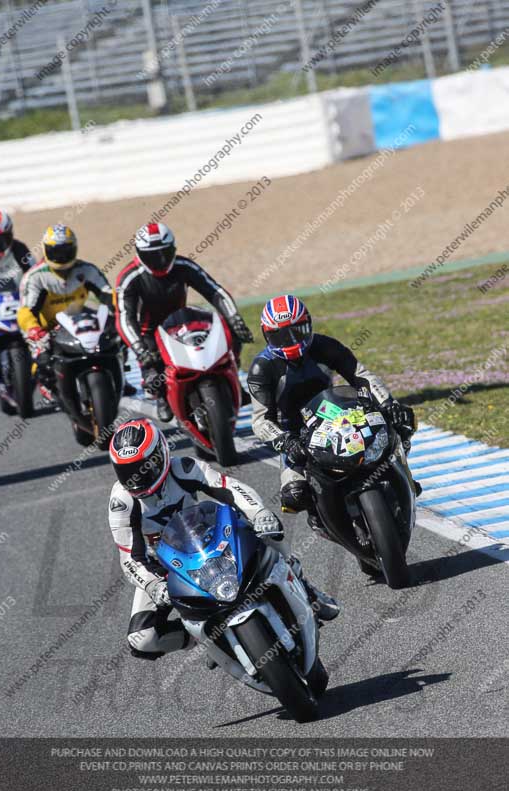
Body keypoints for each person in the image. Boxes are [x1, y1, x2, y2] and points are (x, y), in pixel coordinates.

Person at [108, 418, 339, 660]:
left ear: (160, 454)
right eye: (126, 472)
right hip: (164, 568)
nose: (136, 479)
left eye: (142, 468)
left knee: (269, 528)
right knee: (142, 639)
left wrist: (258, 512)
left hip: (206, 540)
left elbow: (230, 487)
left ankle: (301, 582)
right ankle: (207, 639)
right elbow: (130, 558)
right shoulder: (121, 501)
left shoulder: (184, 468)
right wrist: (153, 585)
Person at [248, 294, 420, 533]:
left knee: (402, 422)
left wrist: (388, 403)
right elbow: (260, 420)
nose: (290, 341)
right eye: (281, 335)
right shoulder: (262, 368)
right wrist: (286, 442)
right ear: (267, 335)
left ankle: (403, 478)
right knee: (294, 495)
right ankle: (319, 516)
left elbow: (361, 376)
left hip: (337, 417)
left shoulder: (324, 346)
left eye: (296, 331)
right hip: (296, 436)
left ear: (308, 325)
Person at [114, 222, 253, 422]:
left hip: (182, 323)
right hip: (150, 333)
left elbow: (215, 291)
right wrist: (139, 348)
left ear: (173, 249)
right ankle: (162, 396)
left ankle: (233, 379)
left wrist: (234, 319)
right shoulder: (130, 277)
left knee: (231, 333)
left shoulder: (184, 266)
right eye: (152, 256)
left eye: (164, 253)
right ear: (139, 253)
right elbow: (124, 317)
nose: (160, 260)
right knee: (153, 378)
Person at [17, 224, 114, 402]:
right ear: (45, 250)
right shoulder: (36, 277)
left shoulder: (87, 270)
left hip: (84, 323)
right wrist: (34, 329)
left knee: (115, 340)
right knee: (41, 358)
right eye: (56, 252)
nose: (61, 257)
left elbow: (108, 294)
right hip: (50, 330)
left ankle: (116, 374)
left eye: (65, 251)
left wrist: (116, 312)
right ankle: (47, 382)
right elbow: (26, 311)